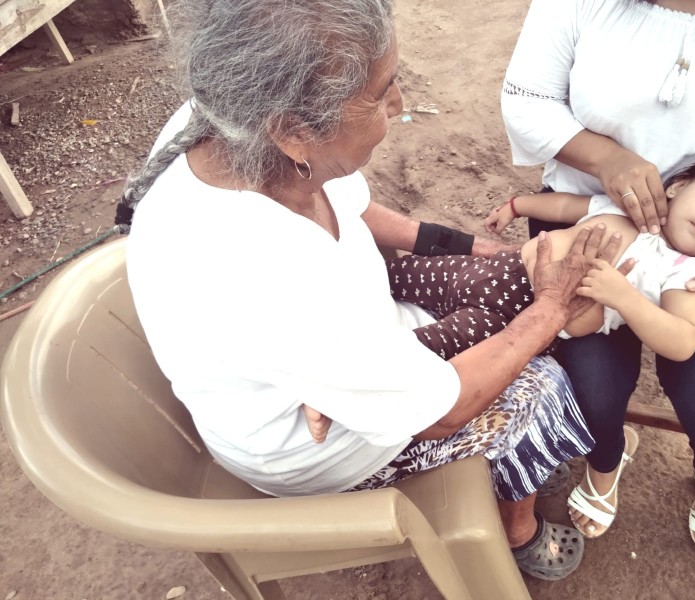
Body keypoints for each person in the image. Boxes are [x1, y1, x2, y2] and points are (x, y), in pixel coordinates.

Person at [115, 0, 630, 582]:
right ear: (295, 133)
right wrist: (549, 310)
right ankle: (518, 529)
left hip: (357, 342)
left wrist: (476, 249)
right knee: (540, 382)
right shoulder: (253, 273)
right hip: (316, 449)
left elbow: (355, 208)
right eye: (383, 91)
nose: (399, 104)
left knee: (514, 282)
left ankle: (505, 449)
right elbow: (443, 409)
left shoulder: (235, 117)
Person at [501, 0, 695, 551]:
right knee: (589, 380)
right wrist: (605, 160)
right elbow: (526, 101)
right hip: (596, 217)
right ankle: (607, 458)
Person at [388, 145, 695, 364]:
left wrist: (623, 297)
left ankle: (355, 378)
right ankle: (335, 290)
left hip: (520, 318)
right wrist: (518, 205)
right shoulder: (628, 207)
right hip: (499, 268)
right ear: (678, 186)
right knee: (402, 273)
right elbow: (566, 208)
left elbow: (683, 340)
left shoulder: (685, 271)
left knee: (429, 347)